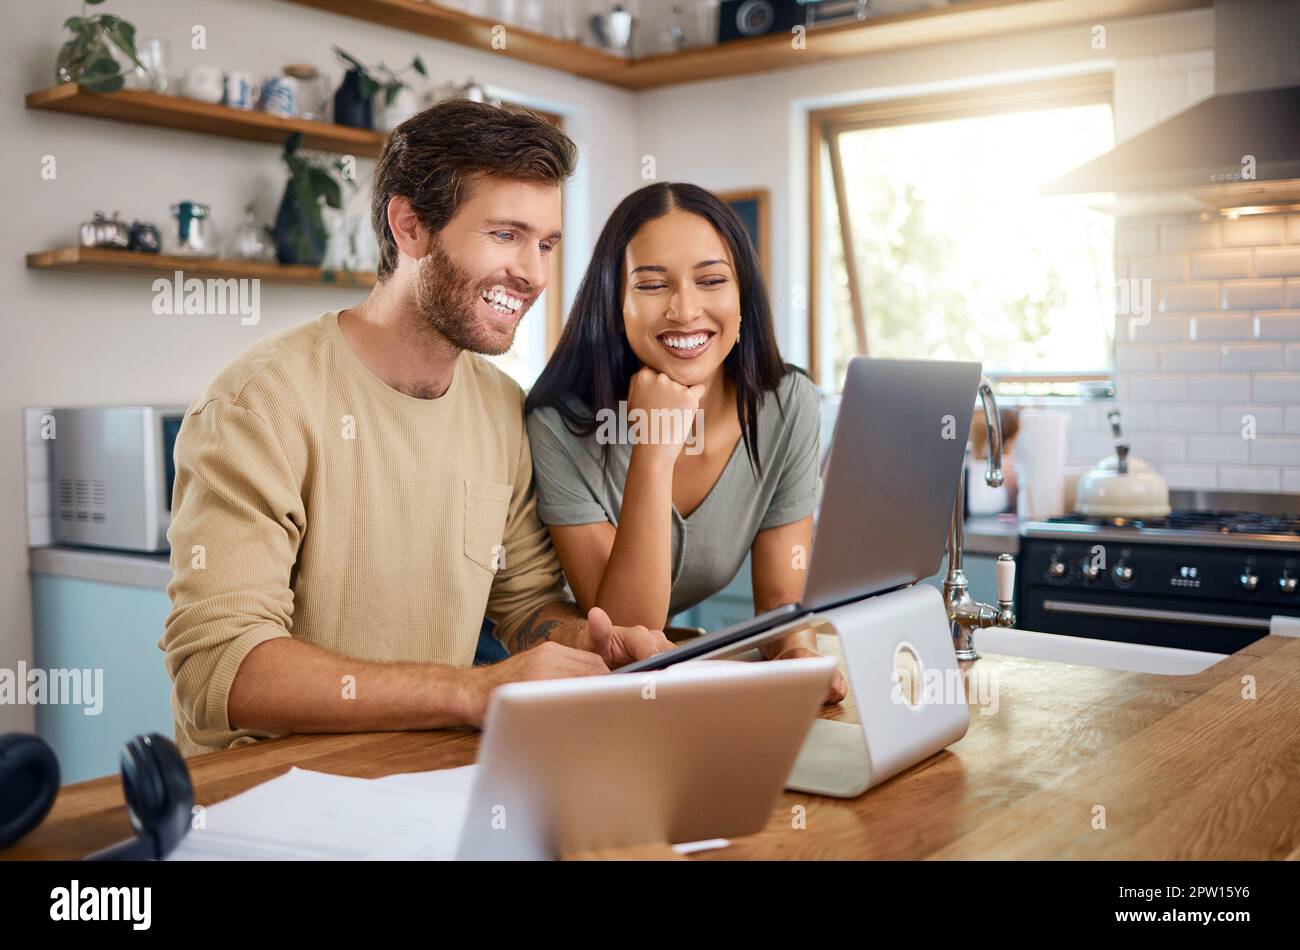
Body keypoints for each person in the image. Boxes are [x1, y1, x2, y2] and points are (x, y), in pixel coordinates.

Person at [161, 100, 672, 757]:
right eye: (505, 235)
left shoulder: (501, 409)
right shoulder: (259, 403)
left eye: (545, 244)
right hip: (267, 797)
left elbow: (526, 606)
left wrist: (590, 644)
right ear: (410, 227)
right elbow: (218, 668)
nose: (535, 274)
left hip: (424, 777)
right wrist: (471, 691)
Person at [525, 182, 847, 703]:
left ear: (742, 295)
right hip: (537, 681)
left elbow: (782, 594)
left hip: (644, 687)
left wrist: (796, 653)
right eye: (652, 285)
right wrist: (654, 451)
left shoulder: (786, 404)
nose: (685, 309)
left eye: (711, 280)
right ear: (615, 304)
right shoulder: (560, 424)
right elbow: (625, 633)